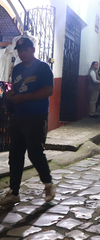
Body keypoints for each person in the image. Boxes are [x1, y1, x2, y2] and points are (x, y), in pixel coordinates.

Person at [0, 37, 55, 204]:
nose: (22, 53)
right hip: (18, 117)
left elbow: (48, 90)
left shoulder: (43, 68)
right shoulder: (16, 70)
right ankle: (14, 191)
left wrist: (24, 98)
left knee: (35, 152)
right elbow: (15, 89)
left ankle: (48, 183)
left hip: (36, 116)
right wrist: (10, 95)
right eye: (20, 50)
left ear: (33, 50)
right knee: (15, 155)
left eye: (25, 50)